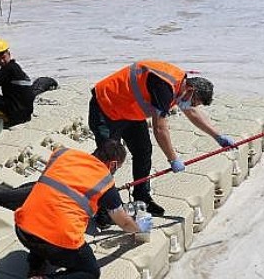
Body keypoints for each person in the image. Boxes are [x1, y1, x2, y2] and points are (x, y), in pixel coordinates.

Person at [14, 139, 151, 279]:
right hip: (56, 240)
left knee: (46, 217)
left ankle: (35, 265)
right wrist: (140, 229)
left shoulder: (63, 154)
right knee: (90, 272)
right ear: (113, 164)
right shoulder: (105, 183)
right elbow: (123, 222)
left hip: (23, 227)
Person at [89, 60, 235, 216]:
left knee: (143, 151)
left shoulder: (181, 86)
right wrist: (172, 159)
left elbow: (191, 112)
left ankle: (142, 197)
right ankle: (101, 208)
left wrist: (218, 137)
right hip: (106, 106)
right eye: (194, 102)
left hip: (130, 110)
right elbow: (159, 128)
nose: (190, 105)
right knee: (109, 160)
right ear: (191, 89)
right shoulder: (164, 86)